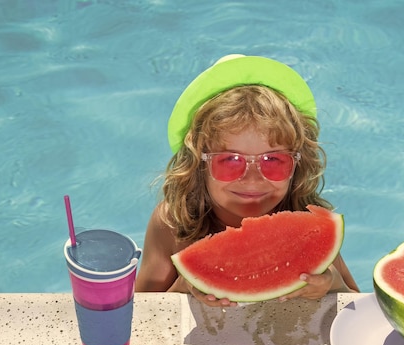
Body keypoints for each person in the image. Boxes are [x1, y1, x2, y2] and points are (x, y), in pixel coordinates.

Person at [136, 54, 359, 306]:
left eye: (273, 160)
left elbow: (358, 304)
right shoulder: (171, 222)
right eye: (230, 161)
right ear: (199, 163)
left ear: (297, 165)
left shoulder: (309, 227)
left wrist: (332, 285)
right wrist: (185, 286)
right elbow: (140, 311)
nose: (252, 180)